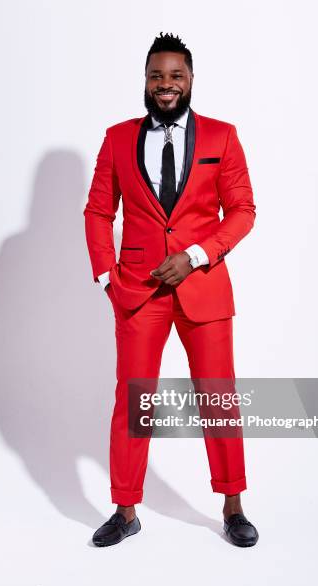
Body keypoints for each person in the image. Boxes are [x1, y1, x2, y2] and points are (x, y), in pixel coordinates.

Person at [83, 32, 258, 547]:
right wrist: (105, 277)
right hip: (137, 291)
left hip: (203, 287)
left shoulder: (221, 137)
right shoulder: (117, 138)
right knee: (133, 402)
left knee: (219, 399)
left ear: (190, 81)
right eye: (157, 75)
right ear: (145, 80)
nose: (166, 85)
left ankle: (232, 506)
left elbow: (243, 211)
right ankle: (126, 509)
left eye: (175, 76)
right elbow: (98, 211)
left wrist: (198, 255)